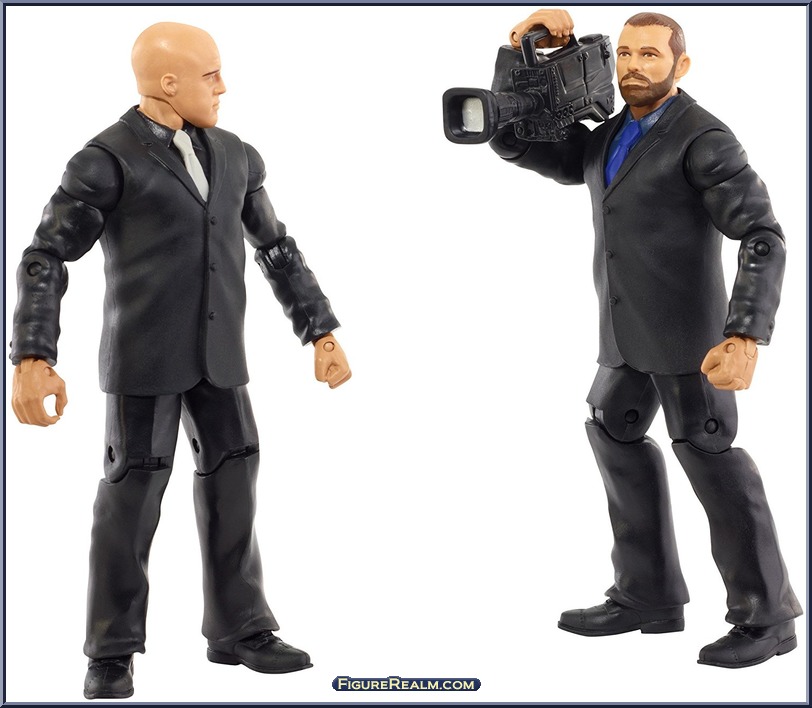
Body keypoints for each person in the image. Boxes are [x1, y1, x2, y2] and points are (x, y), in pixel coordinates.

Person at [9, 22, 350, 699]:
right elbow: (45, 255)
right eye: (210, 74)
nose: (223, 86)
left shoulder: (236, 155)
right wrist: (33, 354)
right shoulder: (106, 160)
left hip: (221, 358)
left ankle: (239, 627)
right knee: (132, 494)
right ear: (169, 83)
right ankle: (111, 647)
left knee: (235, 477)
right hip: (144, 359)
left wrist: (320, 329)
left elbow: (276, 247)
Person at [488, 9, 802, 668]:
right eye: (626, 54)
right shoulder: (608, 136)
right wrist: (525, 56)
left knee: (710, 457)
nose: (634, 66)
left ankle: (767, 617)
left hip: (691, 340)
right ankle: (647, 594)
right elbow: (525, 144)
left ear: (680, 65)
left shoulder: (704, 140)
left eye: (650, 55)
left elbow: (762, 236)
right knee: (612, 432)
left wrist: (745, 334)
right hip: (625, 333)